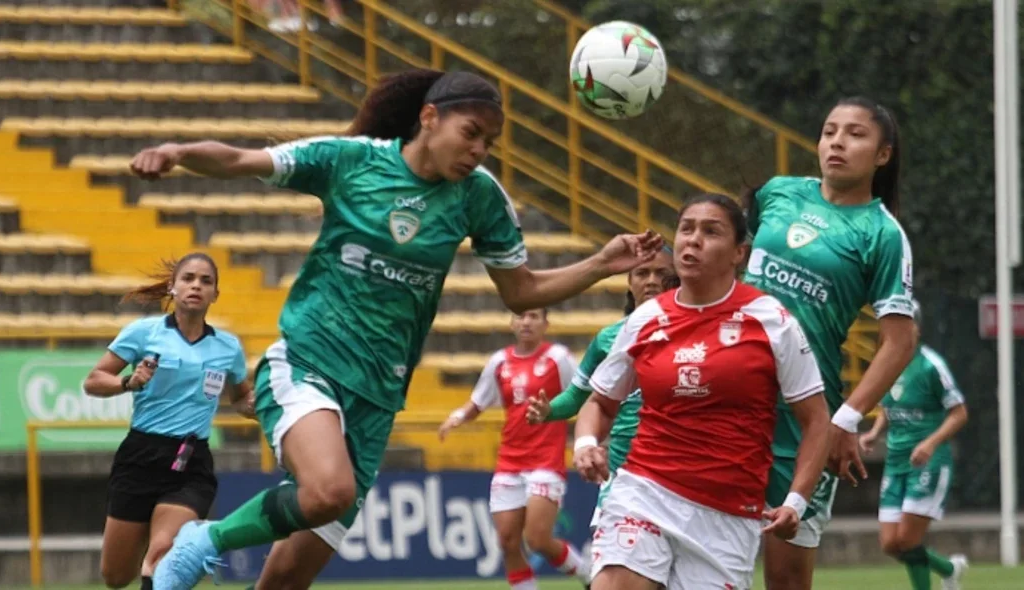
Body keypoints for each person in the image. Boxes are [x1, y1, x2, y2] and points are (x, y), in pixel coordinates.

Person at [137, 69, 664, 590]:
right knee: (329, 491)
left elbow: (521, 291)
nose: (479, 150)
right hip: (308, 363)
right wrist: (177, 151)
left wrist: (600, 263)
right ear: (429, 118)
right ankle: (203, 541)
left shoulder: (479, 196)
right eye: (471, 133)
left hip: (379, 398)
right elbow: (239, 160)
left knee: (287, 580)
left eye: (489, 142)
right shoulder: (352, 161)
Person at [576, 194, 831, 590]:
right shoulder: (645, 319)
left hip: (727, 513)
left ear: (739, 253)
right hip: (644, 491)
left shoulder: (772, 321)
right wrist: (586, 443)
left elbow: (816, 421)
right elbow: (600, 403)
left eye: (711, 232)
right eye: (686, 229)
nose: (693, 240)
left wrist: (796, 501)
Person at [744, 96, 920, 590]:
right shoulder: (778, 193)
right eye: (829, 131)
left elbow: (900, 341)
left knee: (786, 579)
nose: (837, 142)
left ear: (882, 155)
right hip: (732, 395)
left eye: (855, 134)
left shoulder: (882, 234)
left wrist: (844, 419)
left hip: (802, 417)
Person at [82, 253, 252, 590]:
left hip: (190, 462)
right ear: (173, 287)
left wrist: (267, 406)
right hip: (140, 456)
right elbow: (93, 381)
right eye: (188, 278)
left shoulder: (228, 347)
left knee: (162, 555)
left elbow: (241, 398)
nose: (196, 286)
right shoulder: (144, 332)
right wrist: (128, 382)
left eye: (205, 281)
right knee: (116, 576)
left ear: (215, 294)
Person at [524, 246, 676, 531]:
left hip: (680, 473)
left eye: (661, 273)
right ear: (629, 282)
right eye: (642, 273)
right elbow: (577, 397)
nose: (651, 281)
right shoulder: (609, 338)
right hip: (623, 473)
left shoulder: (695, 333)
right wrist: (548, 411)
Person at [437, 308, 589, 589]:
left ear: (545, 323)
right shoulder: (499, 361)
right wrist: (457, 417)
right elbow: (478, 401)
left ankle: (588, 575)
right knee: (507, 542)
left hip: (545, 461)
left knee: (537, 540)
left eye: (533, 316)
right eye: (520, 316)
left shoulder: (558, 358)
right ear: (511, 323)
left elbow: (583, 395)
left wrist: (590, 437)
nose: (526, 322)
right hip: (509, 461)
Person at [860, 304, 969, 590]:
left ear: (915, 328)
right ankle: (950, 570)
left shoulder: (931, 365)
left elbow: (959, 413)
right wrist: (874, 433)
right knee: (890, 544)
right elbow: (889, 406)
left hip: (927, 462)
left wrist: (930, 443)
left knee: (907, 540)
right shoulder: (886, 364)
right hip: (896, 461)